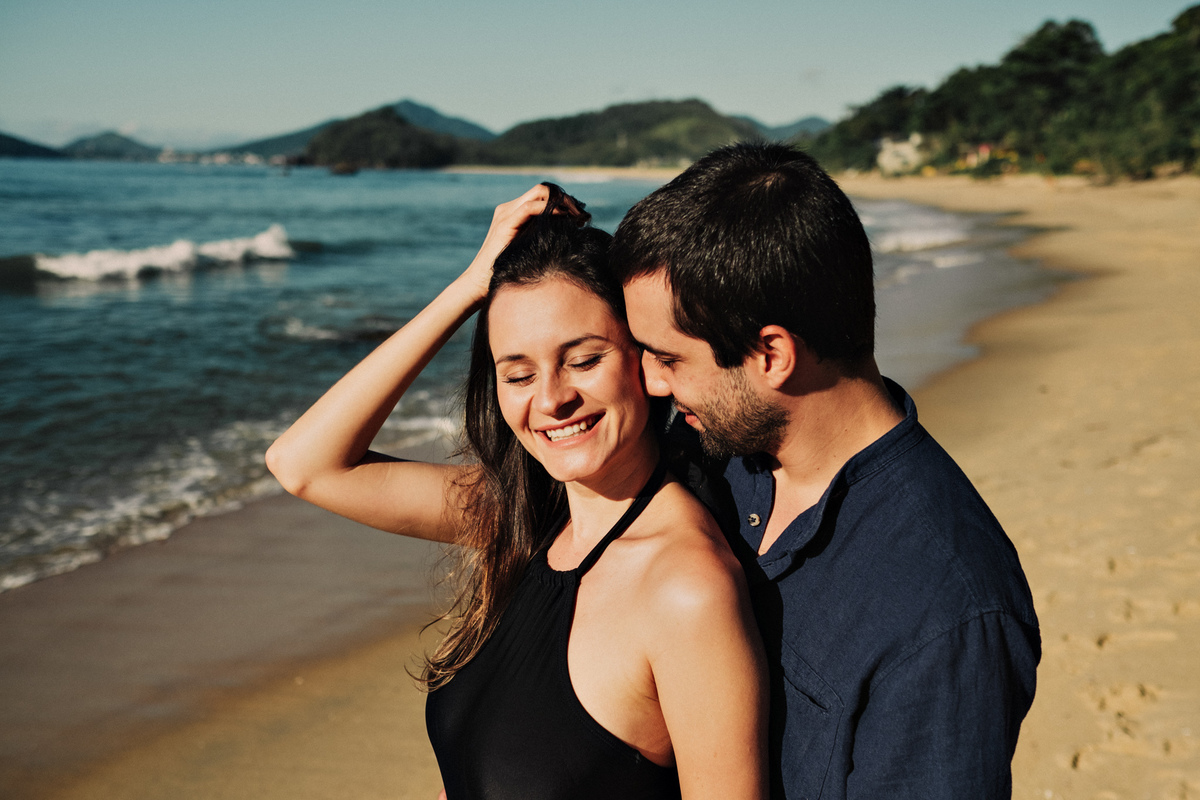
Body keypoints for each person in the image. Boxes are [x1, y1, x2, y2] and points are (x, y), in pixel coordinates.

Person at [265, 184, 767, 800]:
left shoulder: (684, 588)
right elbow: (303, 464)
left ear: (646, 362)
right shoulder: (525, 517)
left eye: (584, 360)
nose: (551, 399)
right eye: (519, 373)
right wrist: (473, 285)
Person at [610, 143, 1041, 799]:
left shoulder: (945, 607)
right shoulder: (717, 451)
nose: (649, 382)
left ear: (771, 354)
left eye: (668, 358)